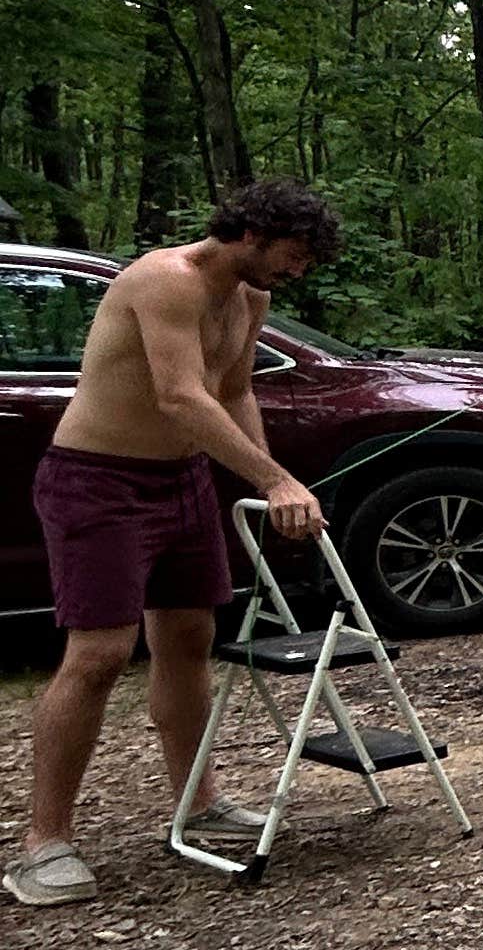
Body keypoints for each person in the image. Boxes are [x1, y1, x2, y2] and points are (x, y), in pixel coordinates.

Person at [6, 178, 341, 910]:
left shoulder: (252, 299)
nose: (298, 271)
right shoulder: (166, 280)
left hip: (182, 482)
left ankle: (198, 803)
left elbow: (233, 392)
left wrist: (264, 486)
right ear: (251, 232)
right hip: (97, 481)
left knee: (191, 638)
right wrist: (278, 479)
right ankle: (43, 843)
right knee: (96, 654)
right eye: (293, 254)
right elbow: (179, 395)